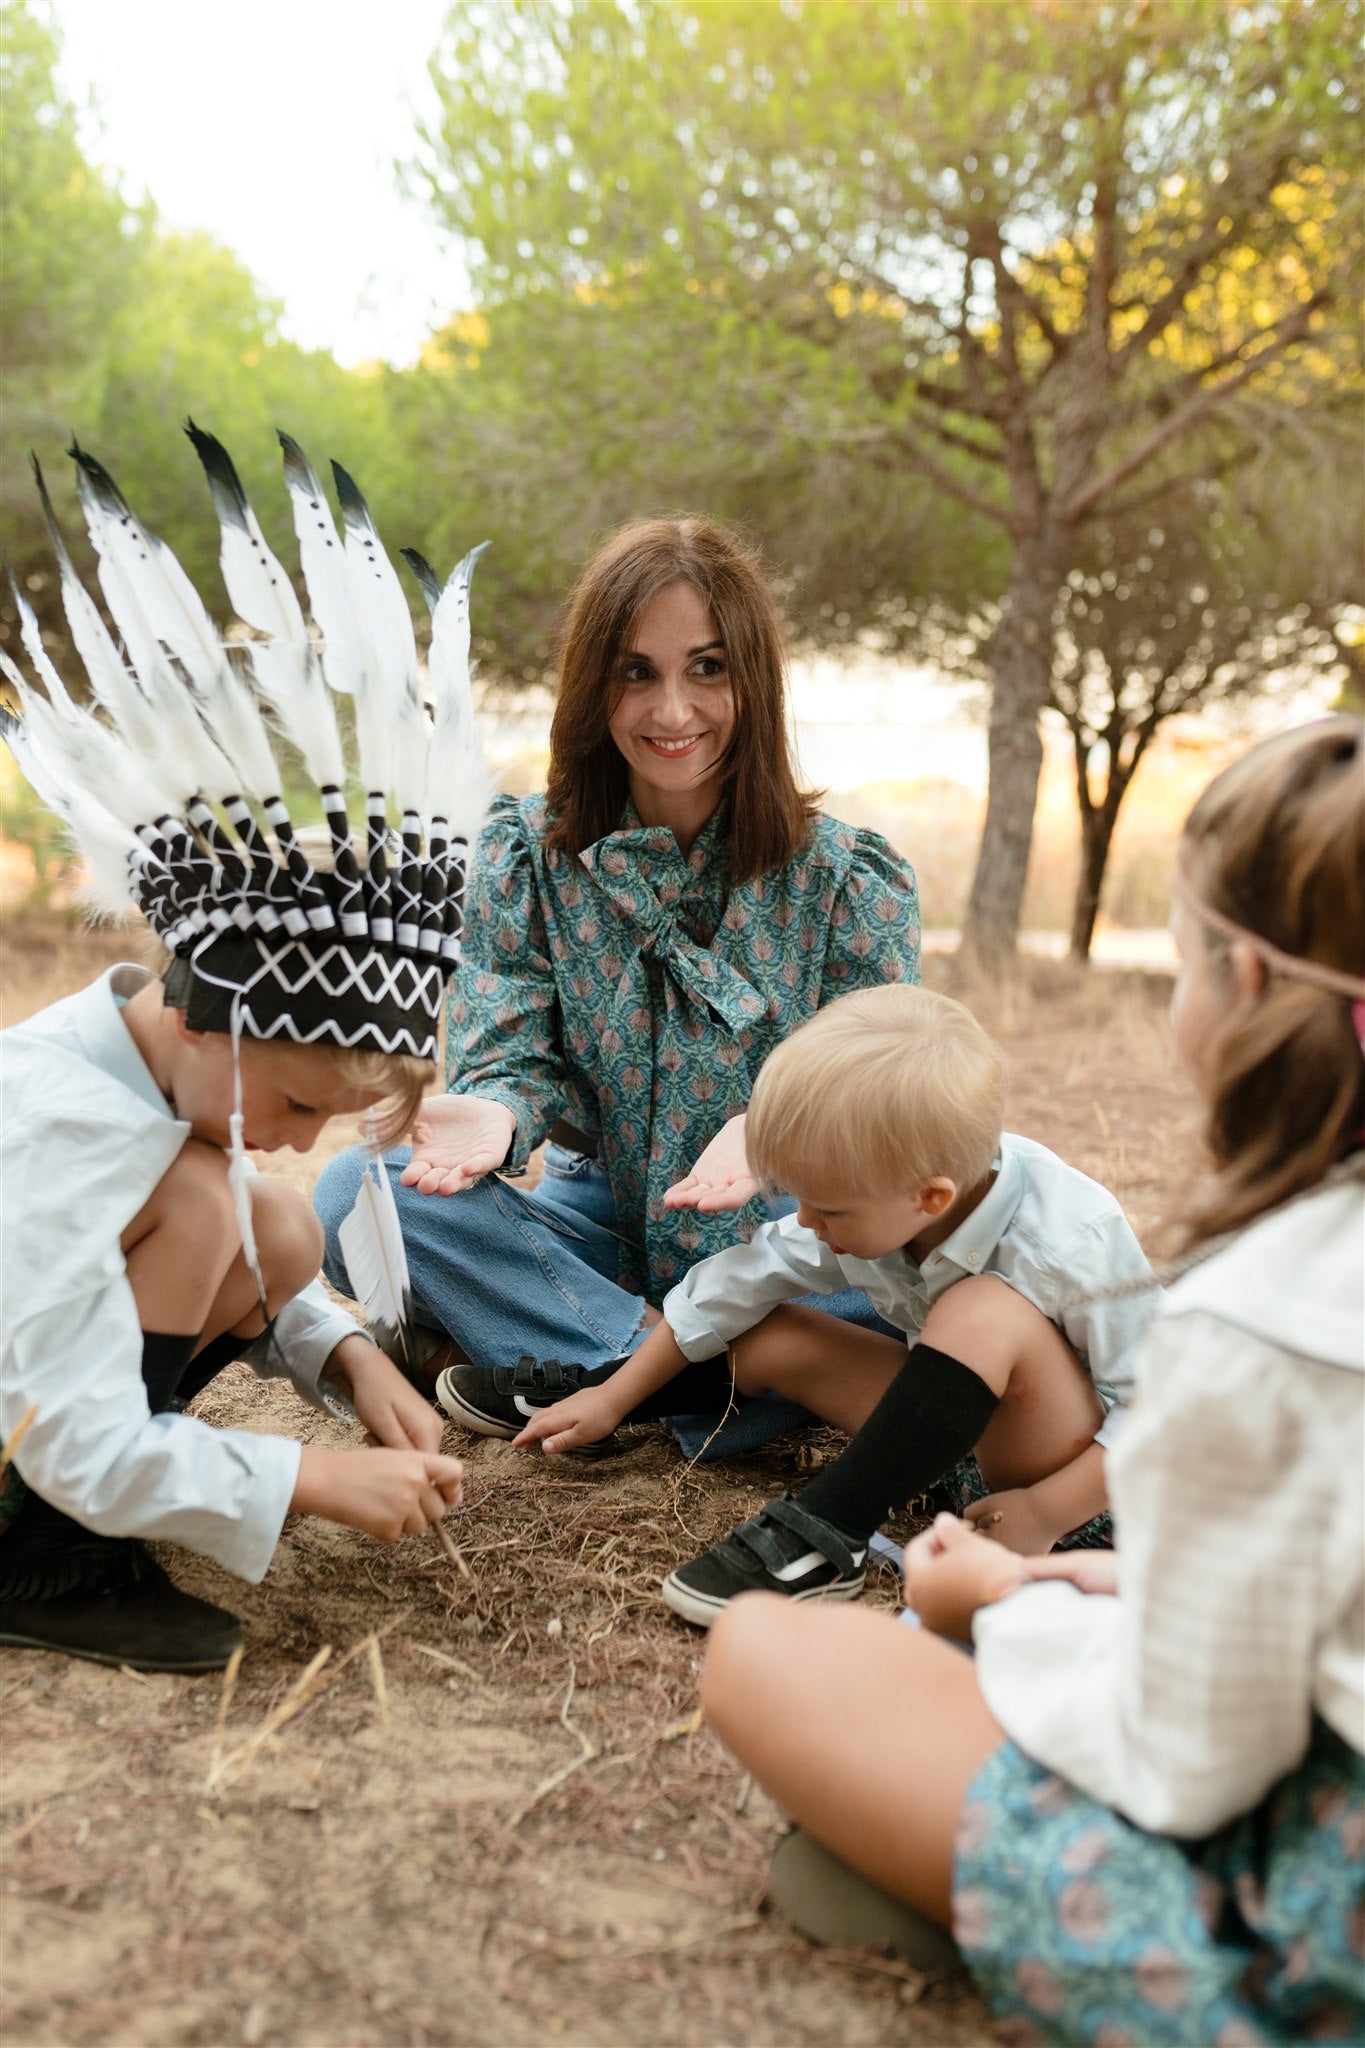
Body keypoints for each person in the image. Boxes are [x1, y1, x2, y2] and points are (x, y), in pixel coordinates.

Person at [700, 717, 1365, 2047]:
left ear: (1238, 979)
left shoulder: (1264, 1321)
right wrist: (1108, 1581)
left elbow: (1190, 1762)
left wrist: (1002, 1605)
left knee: (767, 1653)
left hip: (1312, 1888)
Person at [0, 427, 472, 1673]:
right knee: (215, 1197)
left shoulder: (152, 1078)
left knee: (280, 1228)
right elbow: (58, 1419)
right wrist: (308, 1477)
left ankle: (76, 1536)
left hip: (47, 1396)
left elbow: (267, 1272)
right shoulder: (52, 1116)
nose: (305, 1135)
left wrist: (355, 1361)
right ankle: (41, 1559)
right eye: (301, 1097)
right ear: (219, 1011)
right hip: (33, 1432)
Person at [314, 518, 921, 1456]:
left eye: (707, 668)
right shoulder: (522, 853)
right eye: (636, 671)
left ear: (752, 679)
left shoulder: (849, 879)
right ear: (593, 684)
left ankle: (583, 1366)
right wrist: (501, 1114)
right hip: (590, 1219)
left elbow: (883, 1092)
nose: (671, 710)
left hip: (782, 1235)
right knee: (358, 1193)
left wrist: (772, 1134)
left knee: (928, 1294)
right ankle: (703, 1372)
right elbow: (508, 1048)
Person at [498, 984, 1157, 1624]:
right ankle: (595, 1396)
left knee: (983, 1308)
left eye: (826, 1207)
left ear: (929, 1198)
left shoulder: (1071, 1236)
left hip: (1078, 1496)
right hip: (943, 1451)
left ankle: (831, 1529)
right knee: (772, 1332)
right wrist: (613, 1399)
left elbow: (1164, 1414)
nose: (805, 1221)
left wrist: (1043, 1510)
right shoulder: (879, 1199)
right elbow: (738, 1282)